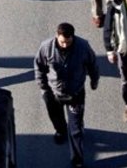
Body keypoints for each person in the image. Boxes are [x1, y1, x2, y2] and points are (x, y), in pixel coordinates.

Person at [34, 22, 100, 168]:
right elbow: (39, 68)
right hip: (53, 92)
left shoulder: (83, 47)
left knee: (75, 129)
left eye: (68, 42)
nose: (65, 45)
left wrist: (94, 81)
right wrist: (44, 88)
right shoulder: (46, 47)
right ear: (57, 36)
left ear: (73, 37)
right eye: (62, 42)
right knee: (55, 117)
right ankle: (60, 131)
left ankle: (77, 160)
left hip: (75, 93)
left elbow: (92, 65)